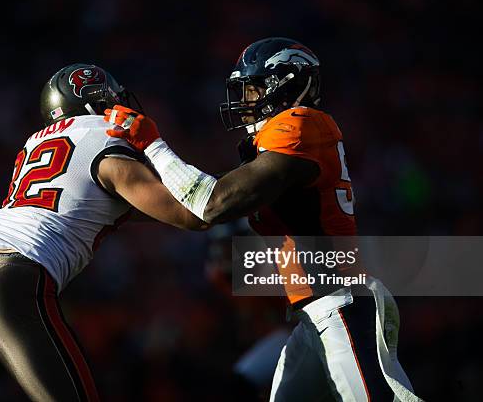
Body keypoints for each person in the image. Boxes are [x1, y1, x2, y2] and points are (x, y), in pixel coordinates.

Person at [105, 37, 422, 401]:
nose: (246, 101)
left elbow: (213, 203)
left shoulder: (301, 123)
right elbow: (204, 208)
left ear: (285, 85)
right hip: (313, 314)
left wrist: (153, 146)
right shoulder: (280, 142)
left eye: (253, 90)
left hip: (339, 303)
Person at [0, 63, 207, 402]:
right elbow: (191, 211)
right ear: (94, 100)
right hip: (11, 282)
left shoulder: (34, 142)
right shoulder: (105, 134)